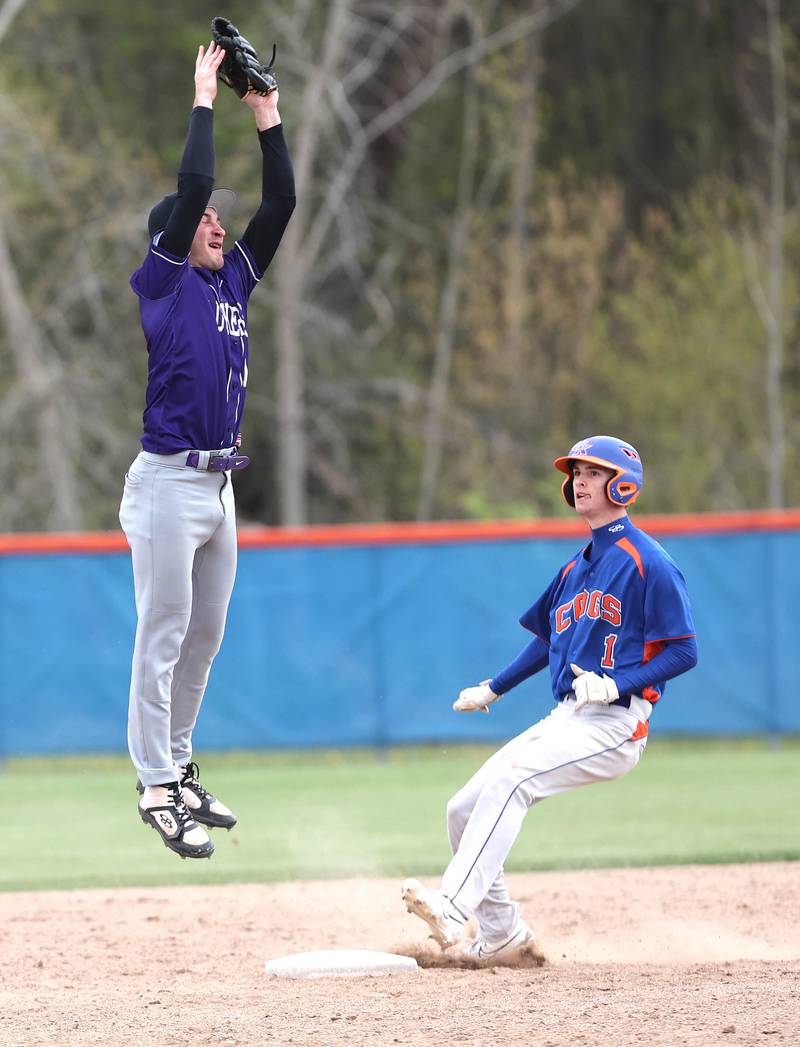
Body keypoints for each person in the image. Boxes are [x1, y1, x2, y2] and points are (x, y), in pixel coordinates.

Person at [401, 436, 697, 960]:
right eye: (576, 471)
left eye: (593, 472)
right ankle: (502, 934)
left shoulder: (650, 561)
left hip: (617, 723)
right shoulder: (575, 567)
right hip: (569, 716)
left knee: (514, 780)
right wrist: (495, 686)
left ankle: (452, 908)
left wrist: (617, 682)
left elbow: (683, 652)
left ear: (623, 484)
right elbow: (547, 640)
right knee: (462, 809)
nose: (579, 480)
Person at [119, 40, 295, 859]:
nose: (218, 224)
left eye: (220, 220)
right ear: (176, 237)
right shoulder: (163, 282)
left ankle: (180, 761)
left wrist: (265, 114)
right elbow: (191, 188)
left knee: (205, 633)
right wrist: (202, 96)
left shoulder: (230, 282)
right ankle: (155, 785)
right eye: (205, 223)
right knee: (164, 630)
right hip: (164, 484)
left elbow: (283, 201)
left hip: (218, 487)